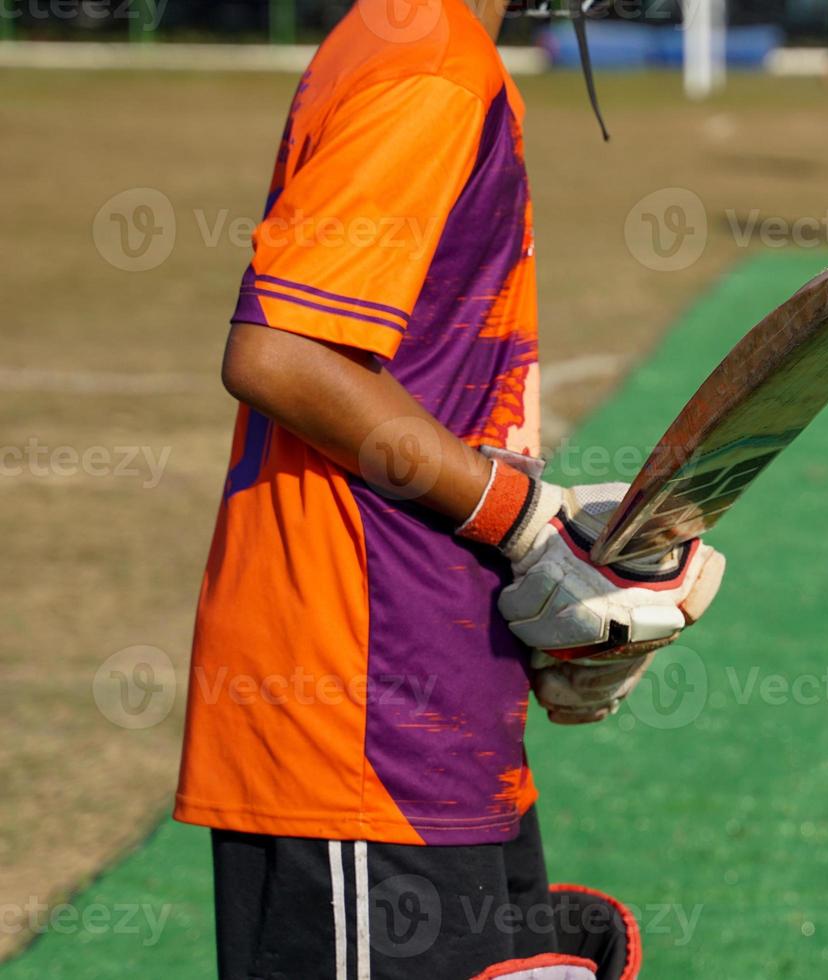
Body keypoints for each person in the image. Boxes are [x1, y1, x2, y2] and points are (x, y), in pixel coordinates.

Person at [173, 1, 725, 977]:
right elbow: (282, 352)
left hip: (430, 699)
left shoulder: (435, 46)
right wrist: (522, 524)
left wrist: (554, 559)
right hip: (355, 721)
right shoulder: (428, 58)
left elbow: (429, 390)